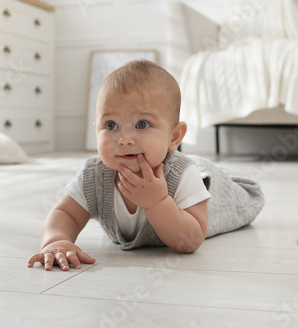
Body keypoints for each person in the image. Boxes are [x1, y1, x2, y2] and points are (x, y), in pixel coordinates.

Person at [28, 60, 264, 271]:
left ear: (174, 137)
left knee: (232, 197)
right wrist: (56, 240)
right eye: (111, 125)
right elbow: (65, 213)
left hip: (213, 191)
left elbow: (190, 241)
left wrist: (158, 203)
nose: (124, 139)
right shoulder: (94, 176)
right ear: (95, 130)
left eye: (142, 124)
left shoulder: (182, 175)